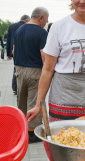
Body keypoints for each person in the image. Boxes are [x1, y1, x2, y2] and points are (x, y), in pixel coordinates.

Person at [14, 7, 49, 143]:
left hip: (19, 70)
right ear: (41, 18)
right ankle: (32, 134)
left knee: (21, 101)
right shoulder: (41, 32)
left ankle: (21, 129)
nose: (46, 22)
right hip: (35, 70)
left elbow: (14, 49)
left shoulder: (19, 30)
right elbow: (44, 55)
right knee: (35, 102)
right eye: (46, 19)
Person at [6, 15, 30, 94]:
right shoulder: (26, 26)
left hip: (14, 51)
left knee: (16, 68)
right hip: (23, 50)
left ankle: (15, 87)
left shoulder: (12, 26)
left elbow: (9, 40)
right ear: (26, 20)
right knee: (24, 68)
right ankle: (22, 87)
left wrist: (8, 53)